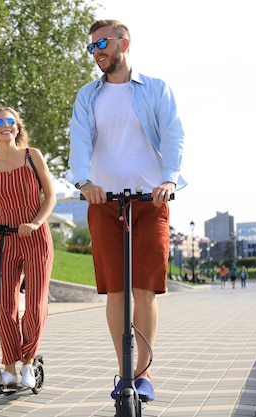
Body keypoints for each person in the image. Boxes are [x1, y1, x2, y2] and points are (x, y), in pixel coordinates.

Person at [68, 19, 186, 402]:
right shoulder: (88, 95)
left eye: (102, 43)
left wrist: (169, 180)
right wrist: (84, 183)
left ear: (124, 43)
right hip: (104, 204)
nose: (97, 51)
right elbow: (80, 139)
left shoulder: (155, 89)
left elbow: (173, 136)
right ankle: (124, 376)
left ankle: (144, 374)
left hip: (151, 202)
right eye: (91, 47)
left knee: (145, 290)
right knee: (116, 294)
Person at [0, 106, 56, 388]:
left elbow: (51, 197)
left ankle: (28, 363)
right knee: (4, 306)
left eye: (11, 121)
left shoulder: (33, 156)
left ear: (17, 127)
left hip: (36, 239)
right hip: (4, 240)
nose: (7, 126)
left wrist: (35, 222)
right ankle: (8, 366)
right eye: (0, 123)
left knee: (34, 305)